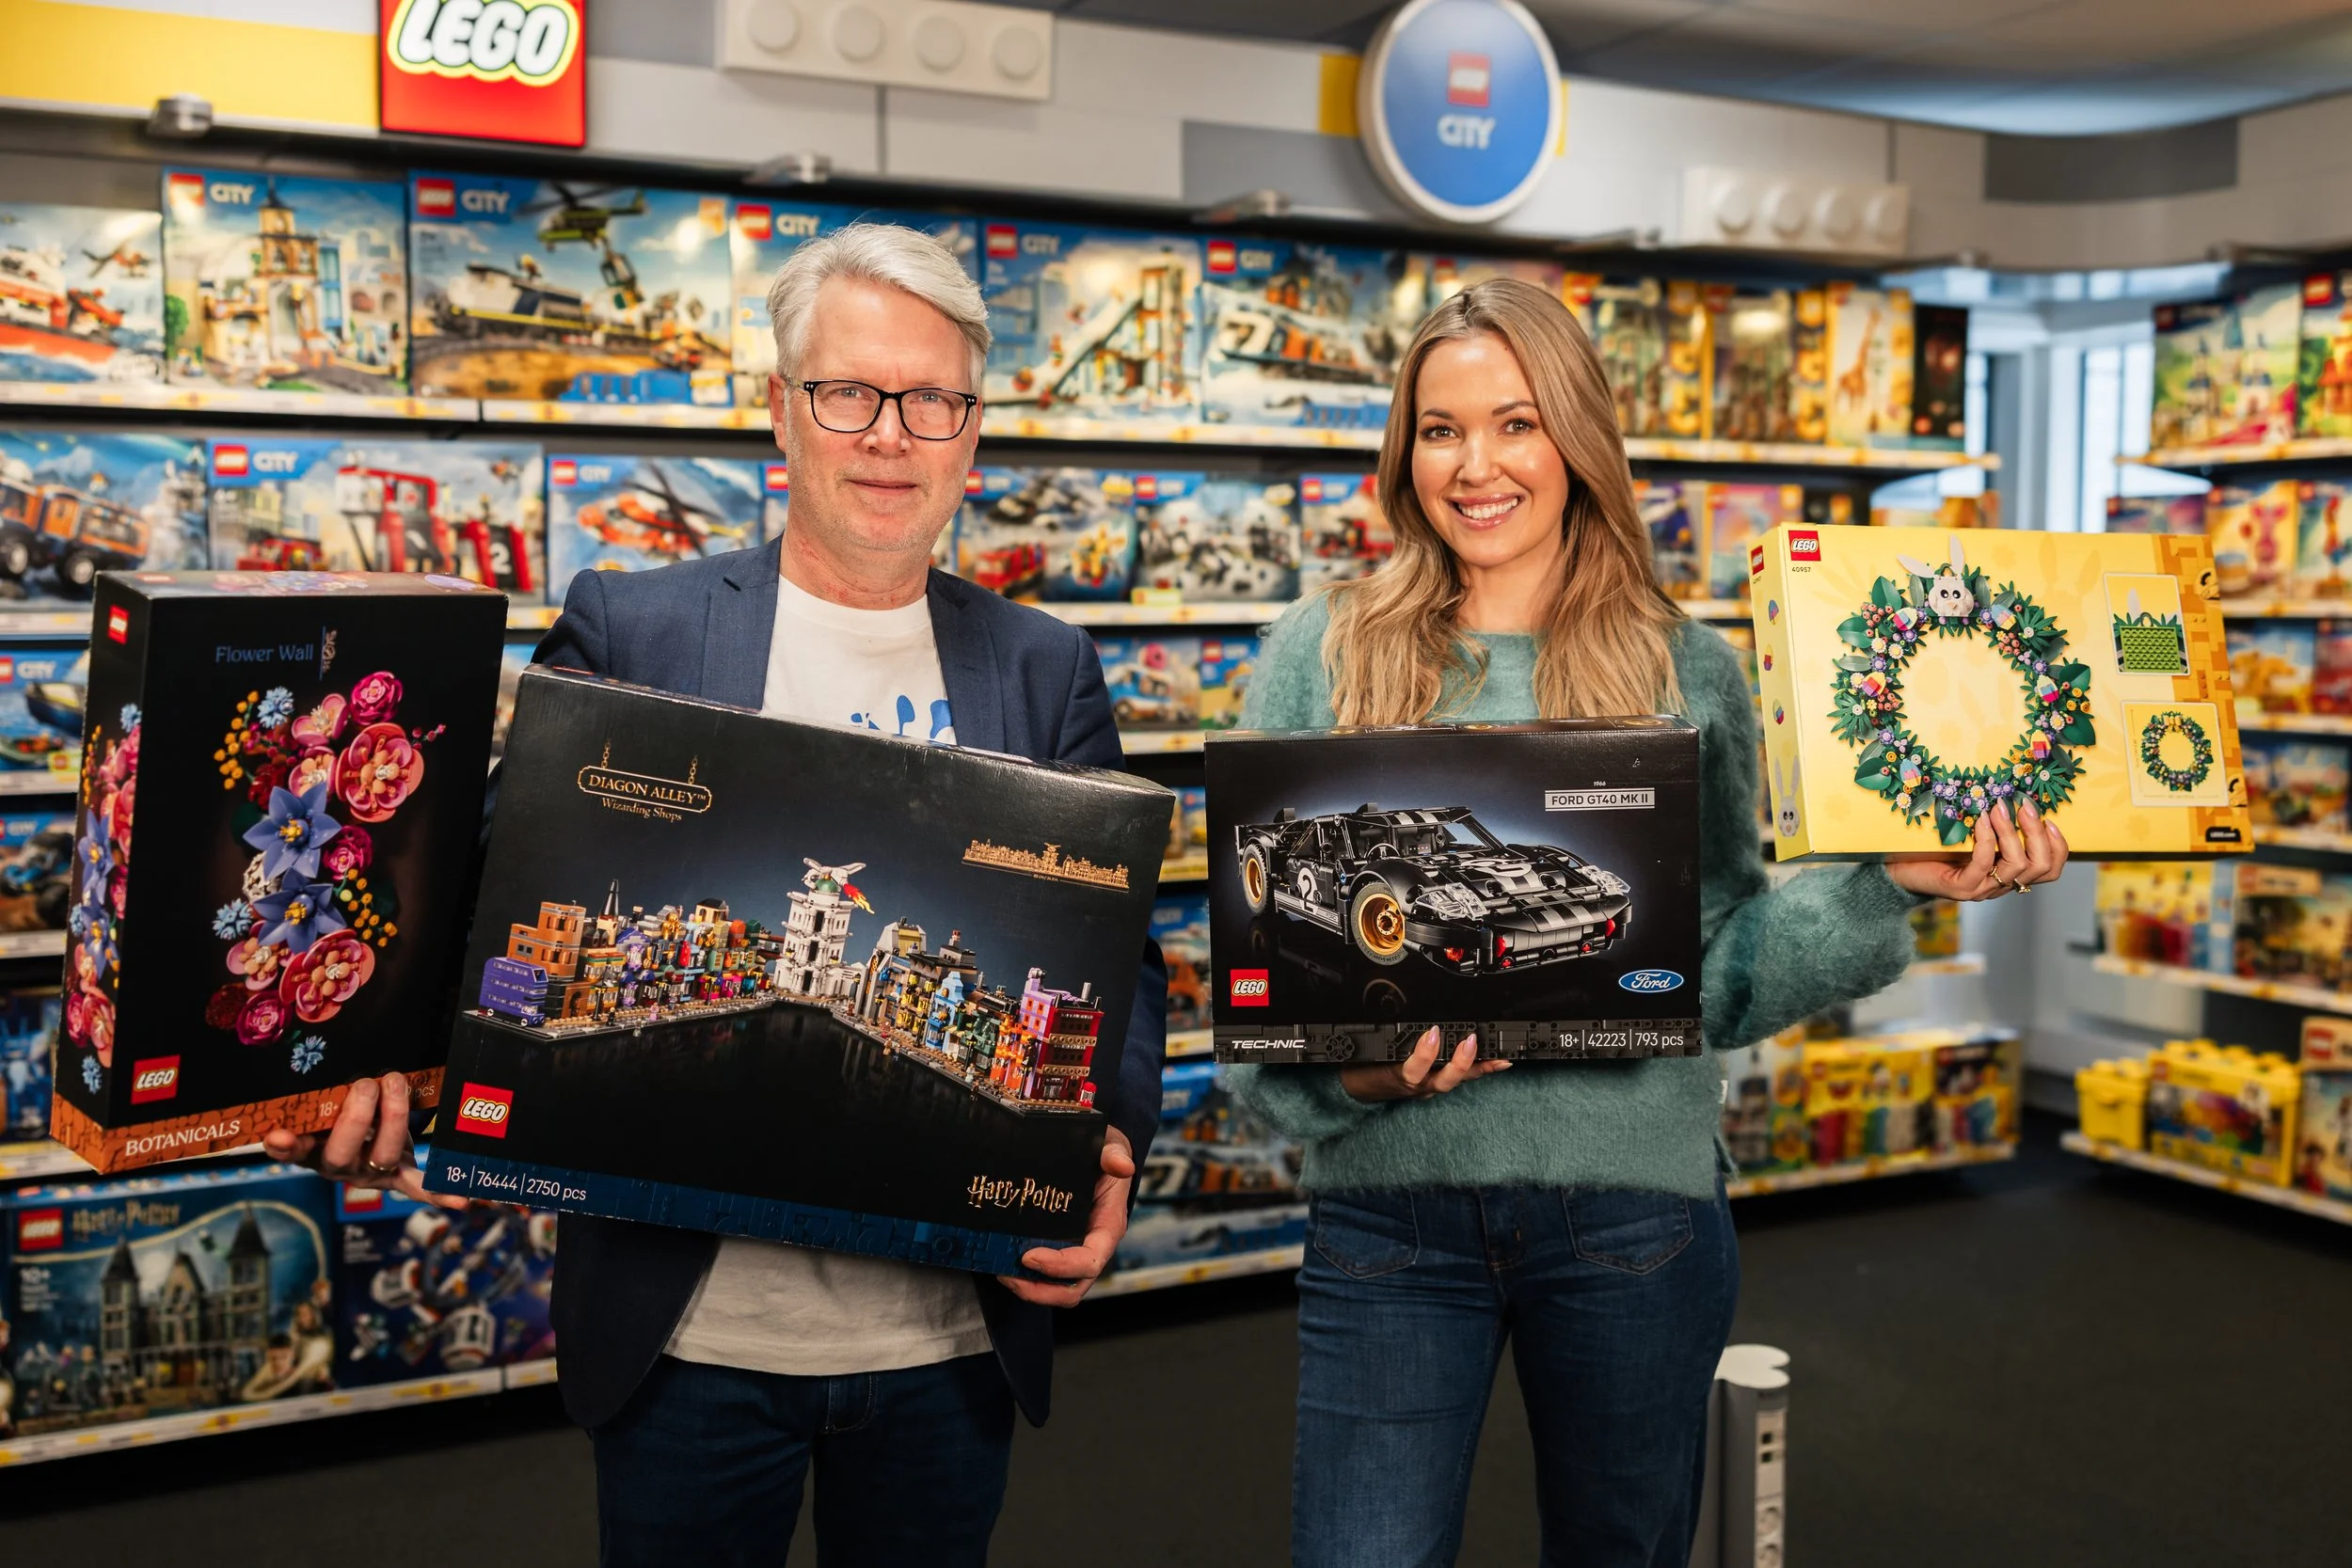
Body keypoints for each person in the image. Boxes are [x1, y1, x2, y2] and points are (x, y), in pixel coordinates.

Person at [265, 223, 1168, 1568]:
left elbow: (1123, 961)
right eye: (848, 393)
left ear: (973, 434)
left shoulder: (1045, 665)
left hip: (947, 1336)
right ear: (782, 415)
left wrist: (1113, 1142)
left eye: (933, 401)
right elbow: (486, 888)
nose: (889, 435)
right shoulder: (636, 624)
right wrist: (361, 1054)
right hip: (689, 1337)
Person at [1226, 277, 2065, 1568]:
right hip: (1391, 1218)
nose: (1476, 464)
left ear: (1579, 437)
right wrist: (1355, 1069)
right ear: (1404, 453)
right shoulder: (1318, 653)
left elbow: (1714, 973)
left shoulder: (1688, 668)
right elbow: (1259, 989)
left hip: (1633, 1216)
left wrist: (1887, 884)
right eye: (1440, 429)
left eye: (1516, 422)